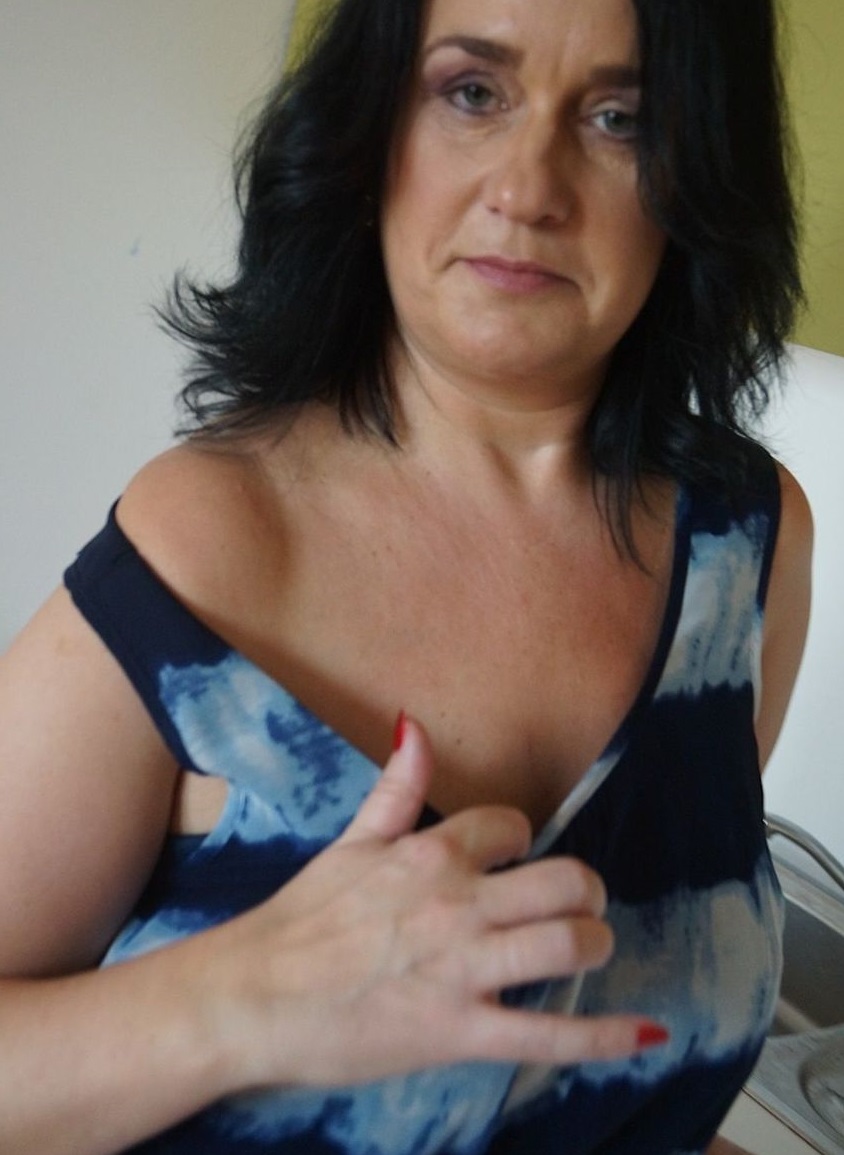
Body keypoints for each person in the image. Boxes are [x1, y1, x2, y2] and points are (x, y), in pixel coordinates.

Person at [0, 0, 812, 1151]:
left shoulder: (744, 543)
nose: (528, 189)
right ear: (371, 125)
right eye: (472, 92)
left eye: (620, 119)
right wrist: (238, 1002)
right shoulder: (207, 545)